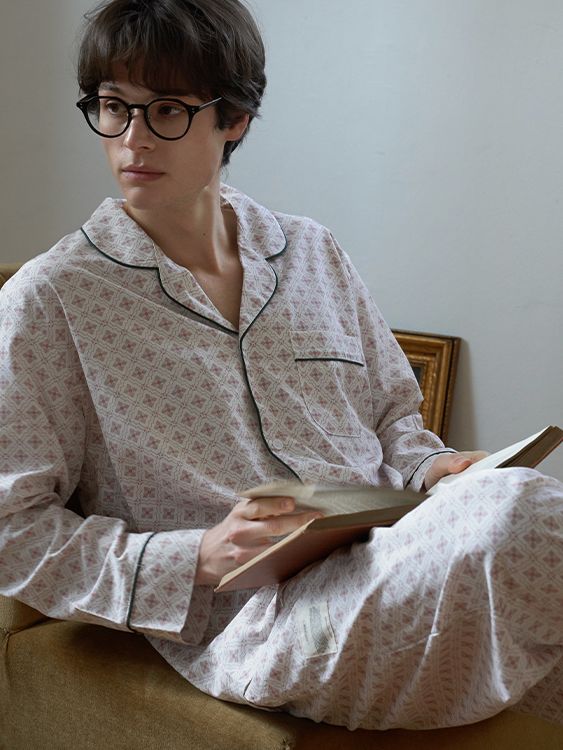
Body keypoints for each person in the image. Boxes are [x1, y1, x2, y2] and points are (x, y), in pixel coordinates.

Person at [1, 0, 562, 732]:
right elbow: (12, 530)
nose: (132, 138)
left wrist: (436, 470)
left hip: (388, 558)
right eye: (113, 107)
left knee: (509, 507)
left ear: (234, 118)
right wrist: (197, 557)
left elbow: (394, 421)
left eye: (166, 110)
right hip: (258, 625)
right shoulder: (52, 299)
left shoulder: (312, 253)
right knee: (524, 514)